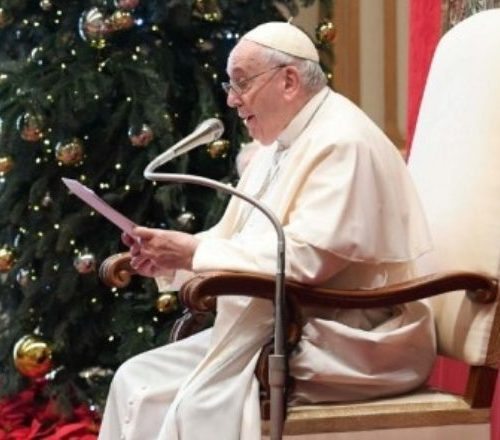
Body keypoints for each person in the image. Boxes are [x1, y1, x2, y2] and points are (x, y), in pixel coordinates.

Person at [98, 21, 436, 440]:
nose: (231, 99)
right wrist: (169, 257)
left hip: (346, 337)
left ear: (289, 81)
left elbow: (305, 260)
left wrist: (192, 253)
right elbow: (238, 240)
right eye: (230, 85)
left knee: (186, 403)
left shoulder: (343, 142)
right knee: (134, 378)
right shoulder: (280, 146)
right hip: (287, 327)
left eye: (241, 83)